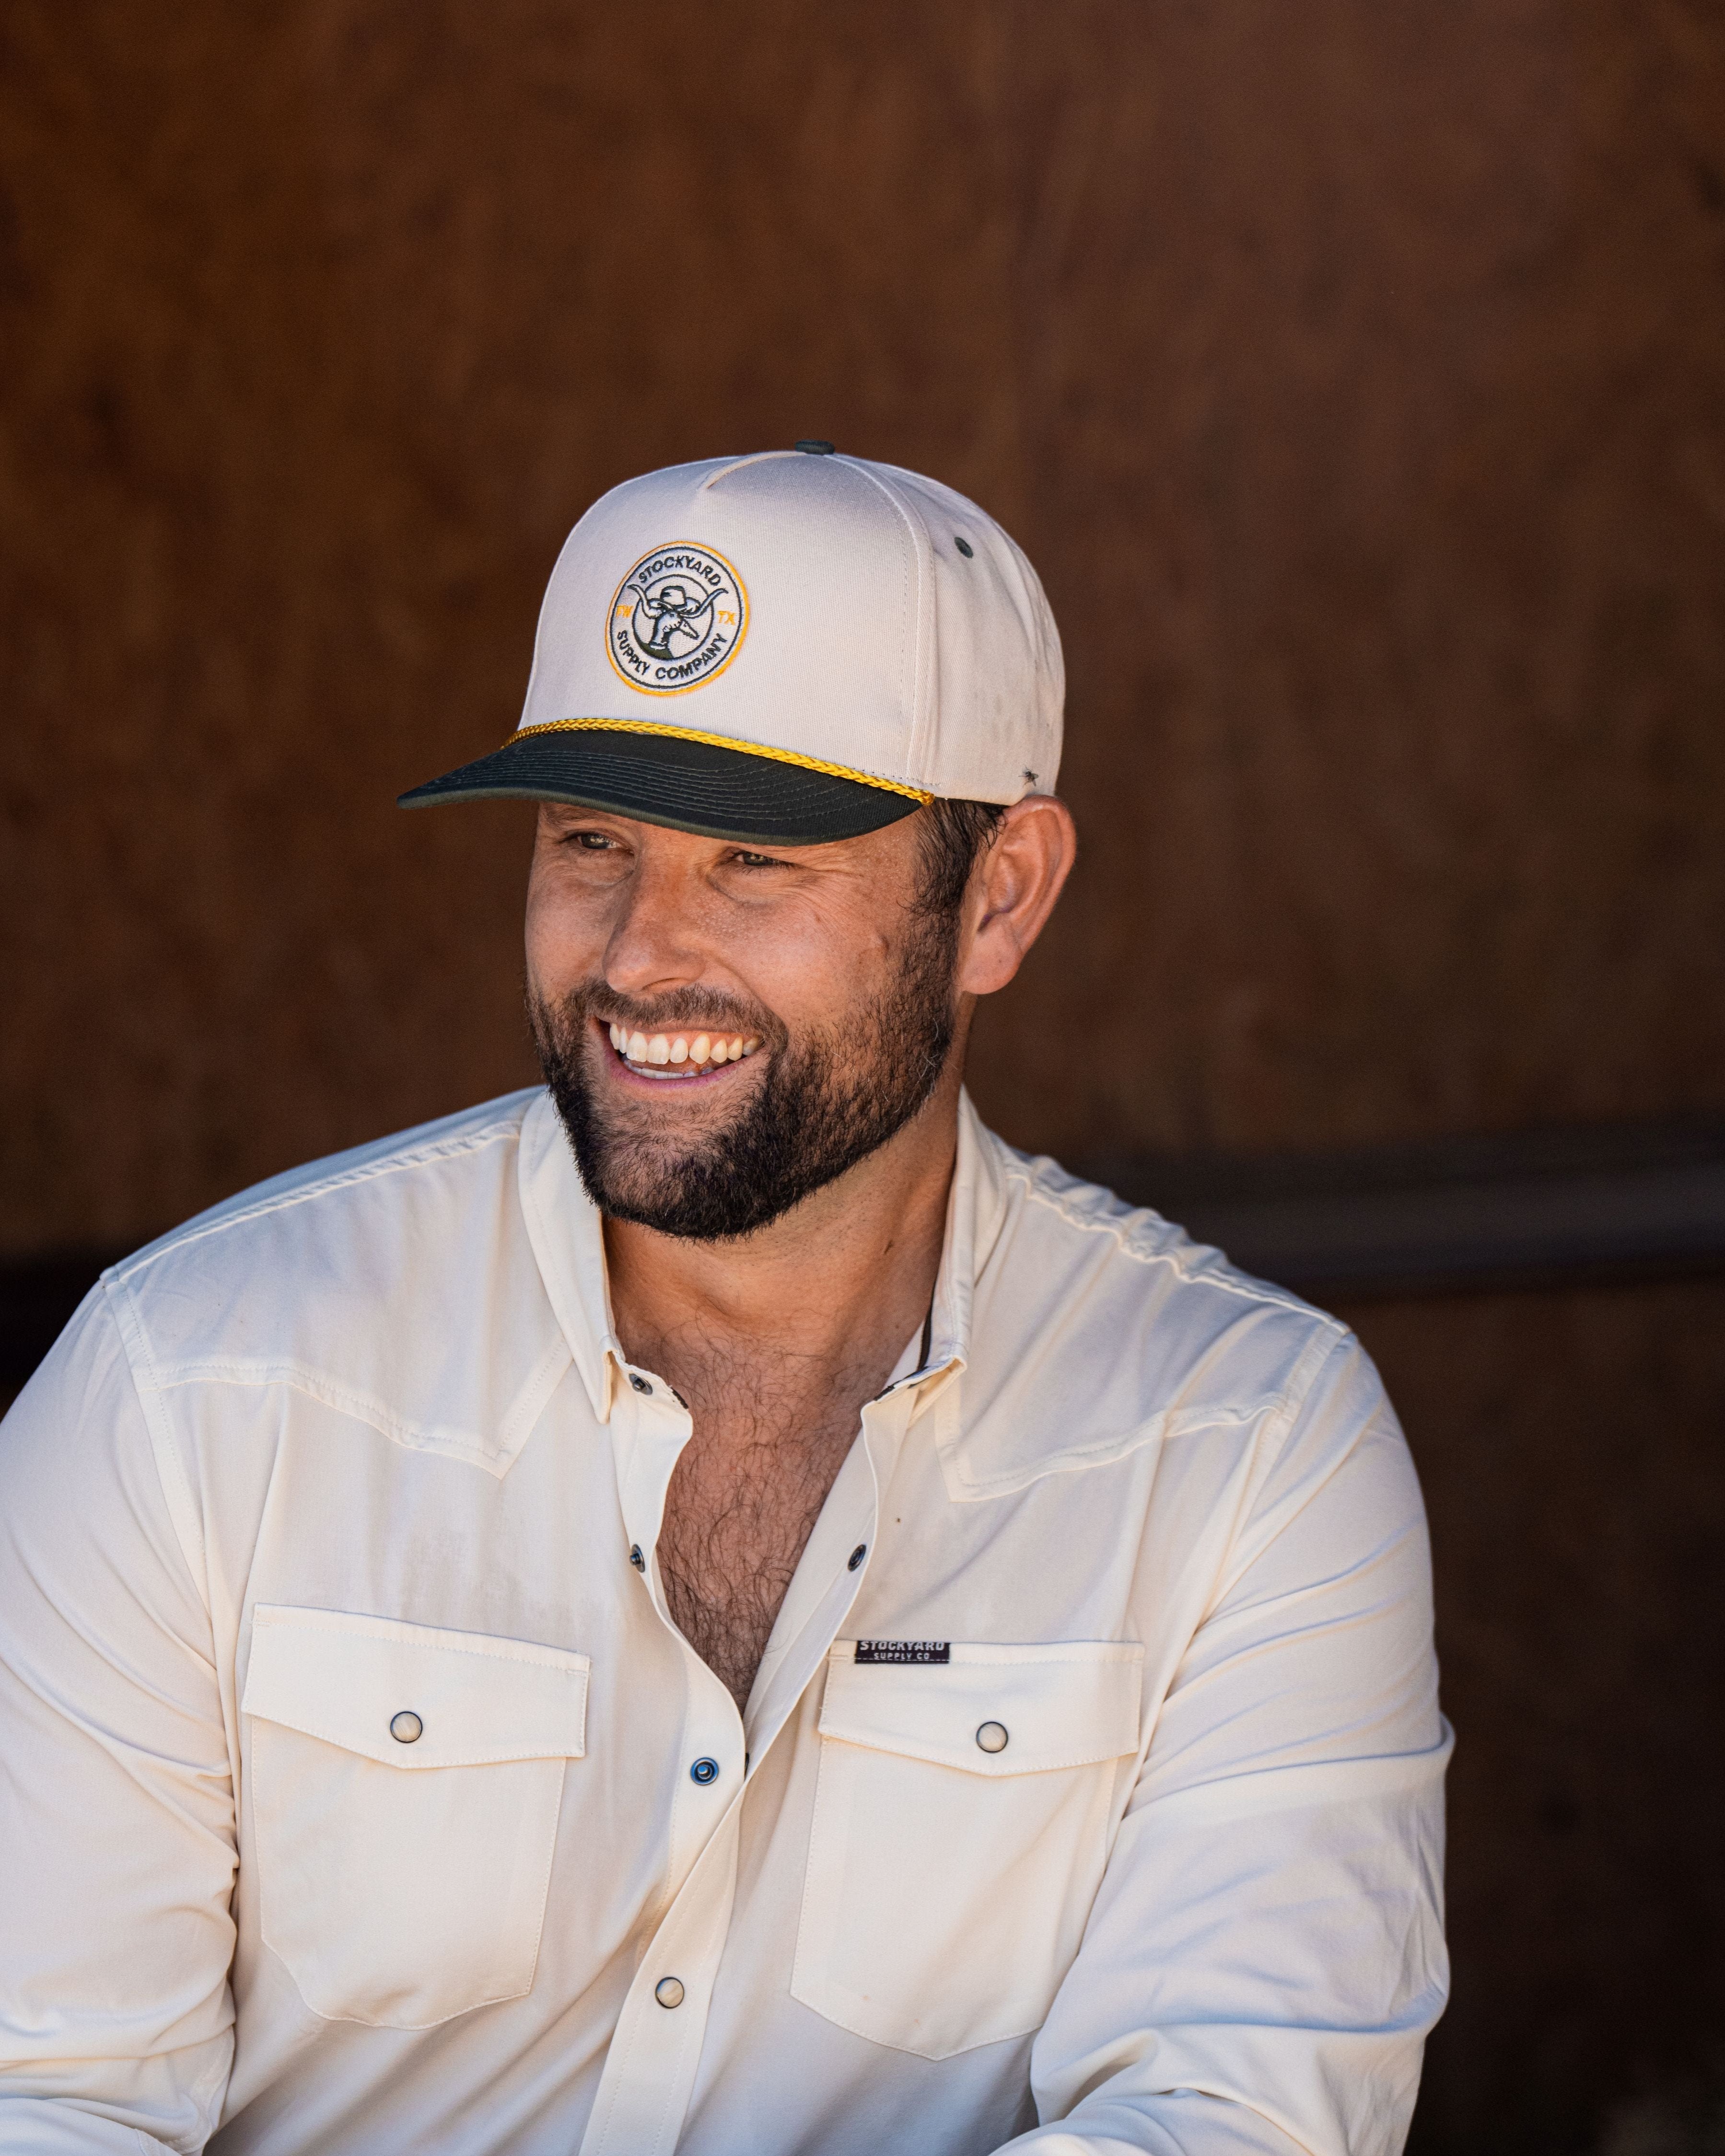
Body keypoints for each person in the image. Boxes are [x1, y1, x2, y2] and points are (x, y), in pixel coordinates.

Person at [0, 446, 1449, 2156]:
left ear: (1000, 895)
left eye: (756, 857)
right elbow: (48, 2096)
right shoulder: (190, 1385)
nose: (637, 951)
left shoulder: (1246, 1451)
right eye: (591, 839)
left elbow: (1235, 2122)